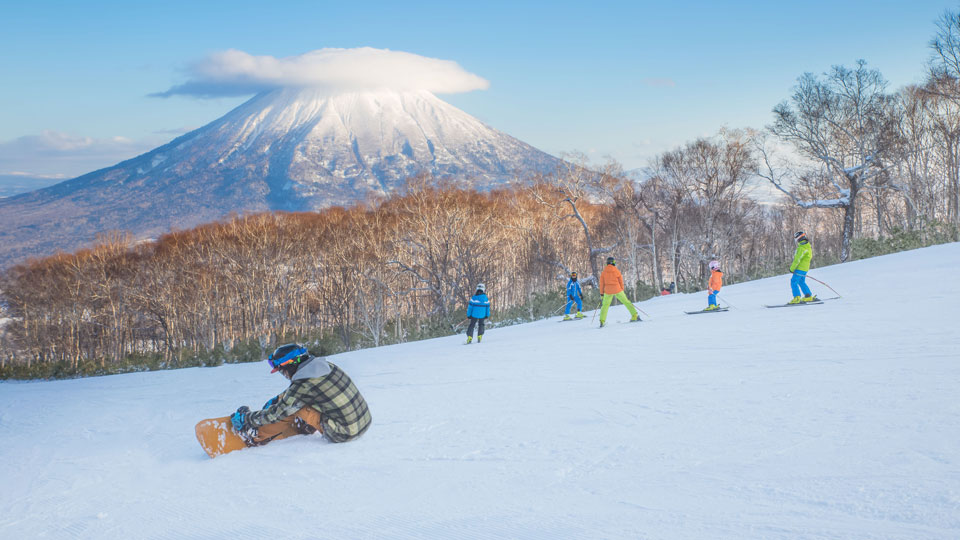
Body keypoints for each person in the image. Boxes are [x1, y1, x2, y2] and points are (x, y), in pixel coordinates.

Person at [229, 343, 372, 446]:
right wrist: (279, 398)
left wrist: (247, 419)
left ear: (289, 366)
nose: (283, 375)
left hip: (343, 433)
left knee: (295, 407)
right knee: (295, 401)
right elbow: (300, 392)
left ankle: (256, 435)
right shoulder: (325, 367)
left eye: (281, 370)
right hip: (362, 422)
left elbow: (278, 413)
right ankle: (305, 425)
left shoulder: (303, 384)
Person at [598, 256, 639, 327]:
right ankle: (634, 315)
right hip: (617, 289)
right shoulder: (616, 270)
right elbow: (621, 281)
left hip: (608, 291)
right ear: (613, 263)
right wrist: (622, 290)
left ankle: (602, 321)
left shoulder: (603, 272)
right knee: (626, 302)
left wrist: (601, 293)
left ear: (607, 263)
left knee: (605, 306)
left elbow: (601, 284)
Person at [789, 231, 817, 304]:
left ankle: (797, 298)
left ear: (798, 238)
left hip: (800, 268)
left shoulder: (801, 248)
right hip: (805, 268)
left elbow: (797, 259)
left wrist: (792, 268)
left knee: (793, 281)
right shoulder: (808, 246)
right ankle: (808, 296)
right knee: (801, 281)